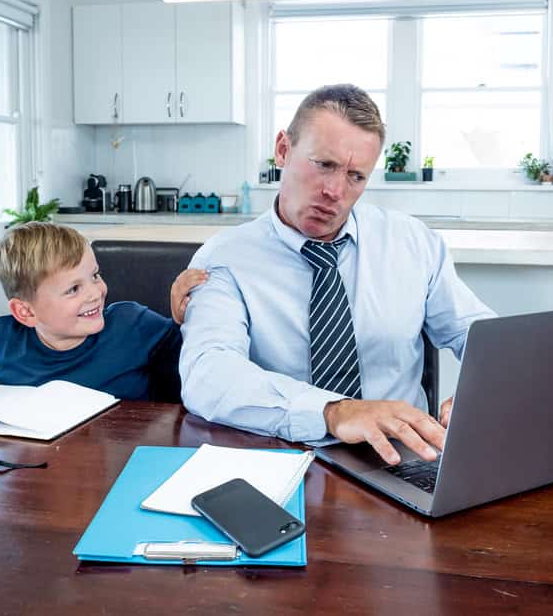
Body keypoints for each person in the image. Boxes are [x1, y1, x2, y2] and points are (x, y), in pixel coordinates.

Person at [179, 84, 496, 465]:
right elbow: (208, 374)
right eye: (324, 164)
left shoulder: (411, 242)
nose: (334, 191)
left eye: (356, 177)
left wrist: (482, 391)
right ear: (283, 149)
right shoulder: (225, 257)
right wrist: (333, 412)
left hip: (402, 459)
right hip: (279, 456)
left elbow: (482, 337)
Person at [0, 221, 205, 400]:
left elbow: (198, 359)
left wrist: (185, 320)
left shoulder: (132, 324)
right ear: (25, 313)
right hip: (39, 470)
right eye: (73, 289)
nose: (95, 293)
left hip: (119, 460)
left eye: (95, 276)